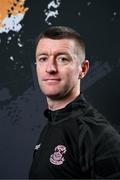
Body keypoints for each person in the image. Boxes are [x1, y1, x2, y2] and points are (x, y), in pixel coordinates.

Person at [29, 26, 120, 179]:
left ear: (83, 69)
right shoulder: (52, 123)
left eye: (62, 59)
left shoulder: (96, 133)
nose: (50, 68)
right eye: (43, 58)